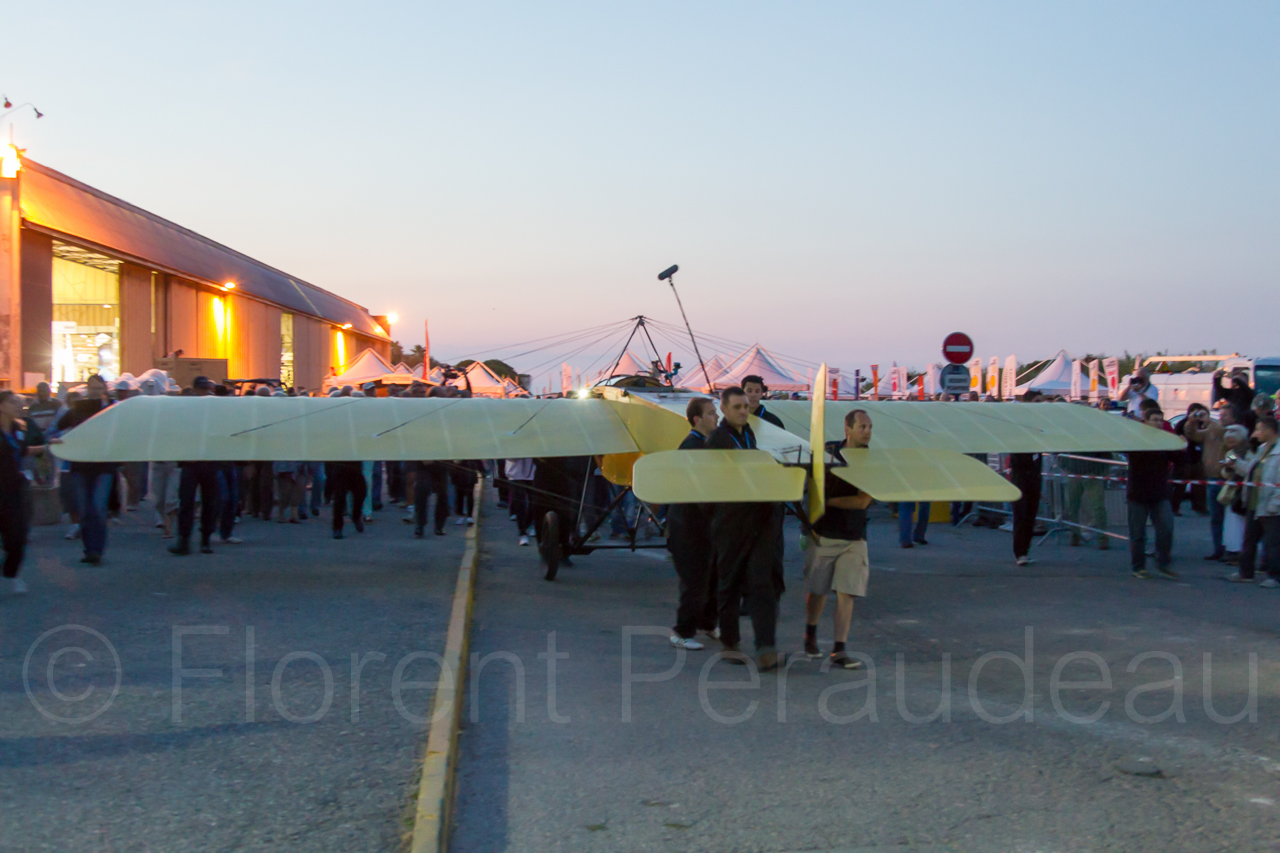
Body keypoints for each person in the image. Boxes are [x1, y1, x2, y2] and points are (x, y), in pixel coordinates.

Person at [706, 387, 782, 671]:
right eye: (737, 406)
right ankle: (730, 644)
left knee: (762, 584)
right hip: (731, 522)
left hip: (758, 518)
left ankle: (766, 647)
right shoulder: (717, 440)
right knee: (730, 583)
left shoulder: (748, 434)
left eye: (745, 407)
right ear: (723, 409)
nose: (742, 411)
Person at [802, 408, 874, 670]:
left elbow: (862, 501)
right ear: (848, 430)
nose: (867, 432)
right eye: (862, 427)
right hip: (823, 533)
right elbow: (810, 481)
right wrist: (810, 514)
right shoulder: (828, 450)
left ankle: (839, 650)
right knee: (817, 590)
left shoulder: (871, 460)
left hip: (855, 536)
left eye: (870, 427)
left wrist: (825, 502)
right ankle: (810, 632)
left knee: (847, 593)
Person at [668, 397, 719, 651]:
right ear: (697, 419)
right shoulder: (692, 447)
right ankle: (681, 631)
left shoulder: (705, 444)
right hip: (688, 526)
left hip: (701, 525)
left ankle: (708, 623)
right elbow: (698, 491)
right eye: (711, 414)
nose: (717, 417)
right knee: (695, 580)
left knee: (711, 576)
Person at [57, 374, 116, 564]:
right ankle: (89, 549)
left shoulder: (112, 409)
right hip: (81, 465)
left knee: (98, 508)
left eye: (99, 388)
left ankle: (96, 550)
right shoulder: (79, 408)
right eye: (92, 388)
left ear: (105, 389)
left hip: (103, 465)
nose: (95, 392)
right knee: (84, 510)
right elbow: (58, 425)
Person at [1, 391, 49, 594]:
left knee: (18, 536)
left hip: (14, 490)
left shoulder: (17, 428)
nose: (19, 406)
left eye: (20, 403)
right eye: (13, 402)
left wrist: (45, 447)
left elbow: (22, 450)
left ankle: (10, 575)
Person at [1126, 405, 1178, 580]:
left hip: (1159, 493)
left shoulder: (1165, 440)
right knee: (1138, 534)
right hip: (1138, 493)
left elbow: (1181, 460)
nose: (1158, 424)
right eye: (1154, 420)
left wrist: (1179, 444)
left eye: (1160, 420)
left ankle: (1163, 564)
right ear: (1145, 422)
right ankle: (1138, 567)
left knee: (1166, 529)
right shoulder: (1135, 440)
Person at [171, 377, 221, 555]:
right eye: (202, 389)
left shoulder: (213, 409)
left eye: (207, 389)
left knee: (208, 502)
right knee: (187, 502)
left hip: (207, 462)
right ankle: (185, 539)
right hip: (192, 462)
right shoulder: (187, 410)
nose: (205, 392)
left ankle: (204, 539)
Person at [1230, 414, 1280, 587]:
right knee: (1249, 539)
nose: (1256, 433)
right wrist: (1234, 463)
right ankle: (1245, 572)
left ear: (1269, 430)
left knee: (1273, 543)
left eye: (1259, 429)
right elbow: (1250, 472)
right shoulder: (1261, 449)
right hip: (1255, 502)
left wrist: (1276, 503)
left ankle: (1274, 576)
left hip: (1271, 505)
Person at [1184, 404, 1230, 560]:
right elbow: (1192, 435)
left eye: (1224, 415)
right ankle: (1218, 549)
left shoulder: (1231, 430)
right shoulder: (1211, 430)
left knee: (1229, 519)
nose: (1221, 418)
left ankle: (1231, 550)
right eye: (1220, 415)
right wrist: (1191, 421)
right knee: (1216, 518)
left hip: (1226, 479)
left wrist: (1210, 422)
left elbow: (1223, 433)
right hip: (1211, 479)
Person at [1061, 452, 1112, 550]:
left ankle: (1100, 539)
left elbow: (1106, 455)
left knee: (1094, 508)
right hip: (1080, 473)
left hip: (1085, 473)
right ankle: (1100, 539)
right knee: (1076, 507)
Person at [1220, 425, 1252, 570]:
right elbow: (1226, 473)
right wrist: (1228, 468)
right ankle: (1233, 551)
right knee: (1233, 524)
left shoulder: (1252, 451)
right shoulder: (1231, 452)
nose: (1230, 443)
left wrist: (1236, 464)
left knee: (1244, 524)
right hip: (1234, 492)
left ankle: (1241, 554)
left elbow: (1249, 469)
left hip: (1246, 491)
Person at [1009, 452, 1043, 566]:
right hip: (1020, 476)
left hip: (1034, 476)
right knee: (1020, 513)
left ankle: (1024, 551)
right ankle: (1019, 552)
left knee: (1031, 514)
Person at [327, 460, 366, 538]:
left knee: (361, 492)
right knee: (339, 497)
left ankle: (356, 516)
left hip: (354, 466)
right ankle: (337, 528)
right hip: (339, 466)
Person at [412, 460, 451, 537]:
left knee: (442, 495)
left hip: (441, 463)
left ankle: (439, 525)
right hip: (424, 463)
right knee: (421, 491)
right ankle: (420, 524)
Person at [505, 458, 536, 545]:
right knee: (520, 503)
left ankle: (529, 525)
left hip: (532, 471)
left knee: (534, 502)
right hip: (515, 473)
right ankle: (522, 533)